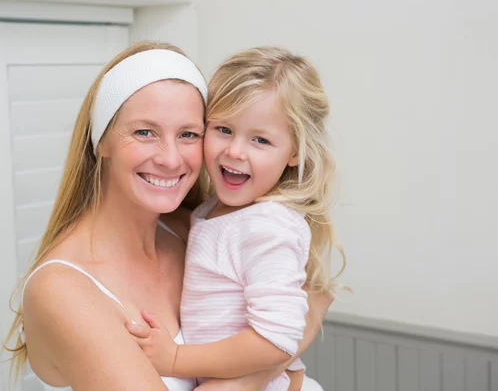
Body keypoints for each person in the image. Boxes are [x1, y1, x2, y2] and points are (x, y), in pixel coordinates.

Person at [4, 41, 331, 390]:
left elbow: (315, 296)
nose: (171, 159)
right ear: (101, 140)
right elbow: (300, 323)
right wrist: (260, 374)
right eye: (145, 132)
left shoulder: (195, 227)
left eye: (189, 134)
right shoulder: (63, 291)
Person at [127, 47, 345, 390]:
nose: (235, 151)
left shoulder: (266, 226)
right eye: (223, 129)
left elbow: (277, 339)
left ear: (295, 153)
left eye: (260, 139)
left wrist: (174, 360)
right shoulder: (215, 211)